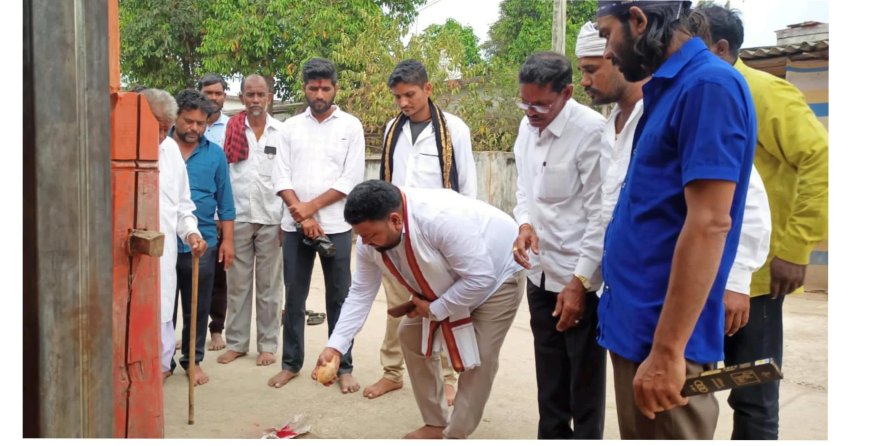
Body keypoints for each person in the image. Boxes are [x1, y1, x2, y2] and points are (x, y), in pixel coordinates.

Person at [595, 1, 757, 438]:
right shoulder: (670, 88)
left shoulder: (708, 87)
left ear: (639, 20)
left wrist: (668, 352)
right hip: (639, 330)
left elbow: (709, 223)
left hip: (662, 339)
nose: (607, 52)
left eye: (607, 34)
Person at [697, 4, 829, 439]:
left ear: (721, 47)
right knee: (695, 388)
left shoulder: (766, 93)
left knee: (752, 394)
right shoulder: (698, 94)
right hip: (702, 271)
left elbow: (820, 161)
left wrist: (795, 250)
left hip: (756, 280)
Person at [313, 180, 525, 439]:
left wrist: (435, 308)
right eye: (361, 236)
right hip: (450, 282)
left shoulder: (440, 219)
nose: (365, 243)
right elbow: (360, 293)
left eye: (370, 236)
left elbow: (480, 278)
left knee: (480, 357)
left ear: (395, 220)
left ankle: (455, 435)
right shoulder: (371, 240)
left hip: (497, 276)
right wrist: (335, 346)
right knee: (410, 336)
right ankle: (435, 424)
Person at [364, 59, 477, 402]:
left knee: (443, 308)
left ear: (428, 89)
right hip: (398, 236)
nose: (403, 103)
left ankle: (450, 376)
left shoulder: (454, 129)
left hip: (440, 236)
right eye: (397, 97)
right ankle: (392, 373)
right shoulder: (391, 130)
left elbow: (467, 187)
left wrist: (463, 237)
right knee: (398, 308)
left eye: (409, 95)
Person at [511, 51, 607, 439]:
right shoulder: (526, 126)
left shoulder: (592, 133)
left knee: (583, 381)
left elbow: (601, 215)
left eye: (540, 104)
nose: (530, 112)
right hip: (540, 275)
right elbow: (525, 188)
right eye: (524, 101)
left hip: (579, 282)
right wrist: (525, 223)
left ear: (567, 93)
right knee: (549, 377)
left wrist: (580, 283)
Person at [269, 58, 365, 393]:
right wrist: (303, 215)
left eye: (325, 87)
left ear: (335, 88)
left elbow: (350, 179)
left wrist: (312, 208)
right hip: (296, 227)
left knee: (340, 298)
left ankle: (343, 365)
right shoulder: (289, 128)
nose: (319, 93)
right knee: (294, 297)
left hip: (337, 226)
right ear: (305, 89)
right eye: (313, 87)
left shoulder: (350, 126)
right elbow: (279, 176)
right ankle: (290, 364)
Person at [216, 74, 285, 367]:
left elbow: (287, 176)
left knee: (270, 288)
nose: (255, 100)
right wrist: (222, 217)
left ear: (268, 96)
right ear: (242, 96)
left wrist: (286, 220)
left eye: (260, 95)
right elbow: (222, 177)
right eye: (250, 95)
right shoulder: (230, 130)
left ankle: (268, 345)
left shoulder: (281, 132)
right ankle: (236, 343)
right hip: (239, 216)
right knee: (237, 286)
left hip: (272, 217)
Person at [170, 89, 236, 385]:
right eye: (188, 121)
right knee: (163, 308)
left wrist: (229, 241)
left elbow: (226, 202)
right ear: (176, 117)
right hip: (163, 243)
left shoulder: (215, 154)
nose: (194, 128)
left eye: (201, 123)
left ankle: (192, 361)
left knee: (196, 307)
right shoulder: (158, 148)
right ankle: (162, 361)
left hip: (203, 242)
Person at [140, 88, 206, 380]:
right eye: (157, 126)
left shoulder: (171, 152)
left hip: (163, 255)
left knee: (163, 311)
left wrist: (191, 233)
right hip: (127, 254)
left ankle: (162, 366)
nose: (161, 135)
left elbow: (182, 207)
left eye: (166, 128)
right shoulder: (116, 145)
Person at [197, 73, 231, 352]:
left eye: (218, 93)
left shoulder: (231, 128)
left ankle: (217, 329)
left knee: (218, 277)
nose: (214, 98)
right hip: (192, 213)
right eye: (208, 93)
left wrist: (224, 217)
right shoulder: (185, 126)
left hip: (220, 212)